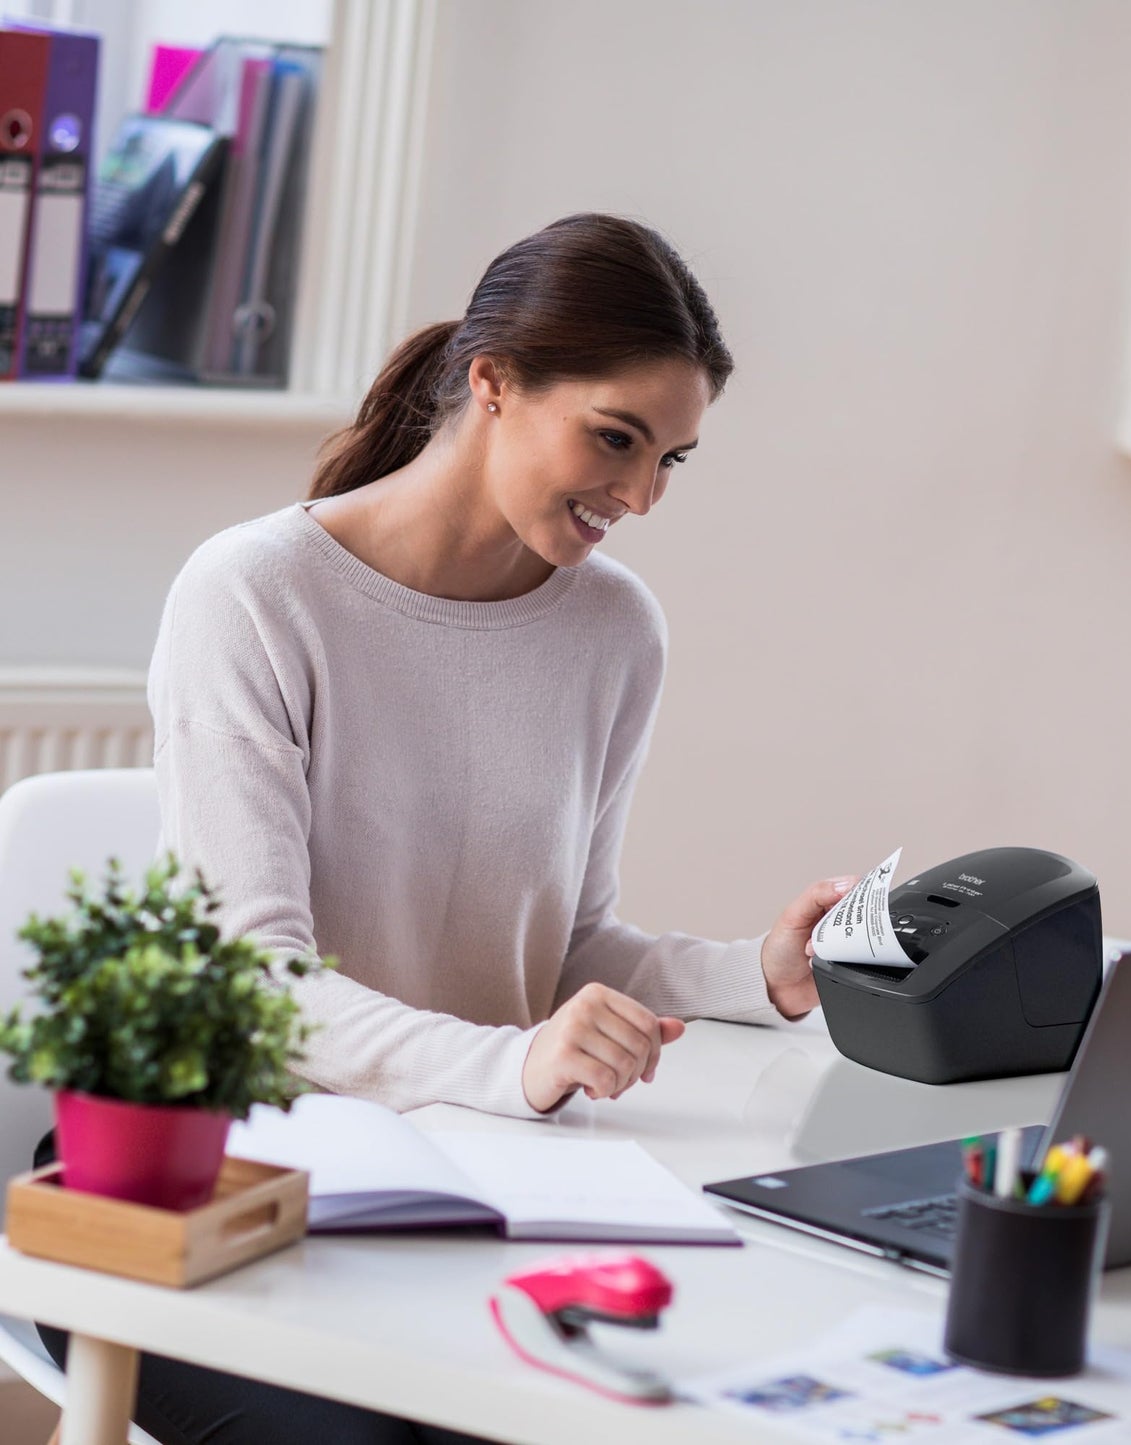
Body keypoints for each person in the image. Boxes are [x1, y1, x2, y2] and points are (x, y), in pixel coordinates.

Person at [38, 213, 853, 1443]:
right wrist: (509, 1064)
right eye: (614, 438)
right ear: (493, 382)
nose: (637, 496)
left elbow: (565, 942)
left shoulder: (613, 630)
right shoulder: (254, 594)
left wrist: (758, 974)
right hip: (212, 1177)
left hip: (463, 1174)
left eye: (670, 459)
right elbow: (255, 984)